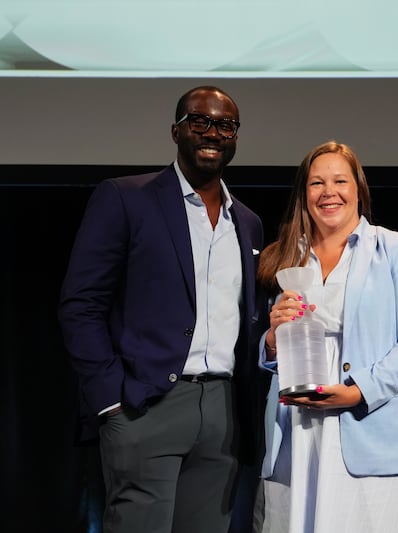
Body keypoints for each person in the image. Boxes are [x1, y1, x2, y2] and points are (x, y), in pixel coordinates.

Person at [58, 85, 266, 533]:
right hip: (145, 405)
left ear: (235, 137)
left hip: (224, 414)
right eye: (200, 121)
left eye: (225, 125)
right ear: (177, 131)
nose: (213, 132)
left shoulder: (247, 222)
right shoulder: (126, 197)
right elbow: (81, 304)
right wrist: (111, 400)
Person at [253, 141, 398, 533]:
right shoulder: (287, 255)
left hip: (373, 425)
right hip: (300, 432)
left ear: (359, 188)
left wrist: (358, 391)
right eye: (317, 183)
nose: (329, 192)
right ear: (304, 194)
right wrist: (272, 340)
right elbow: (273, 348)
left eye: (340, 180)